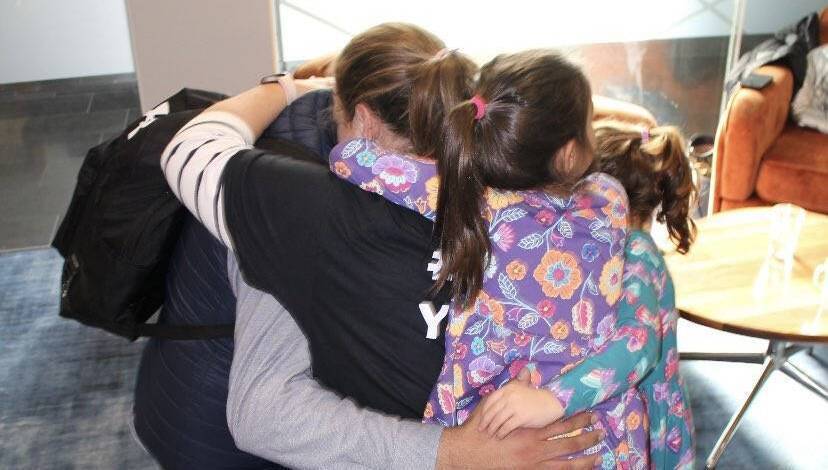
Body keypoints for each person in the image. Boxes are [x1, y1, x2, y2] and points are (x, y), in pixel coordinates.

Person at [157, 23, 605, 468]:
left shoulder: (314, 210)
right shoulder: (528, 193)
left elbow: (191, 150)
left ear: (365, 121)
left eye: (337, 116)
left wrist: (287, 87)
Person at [328, 50, 648, 467]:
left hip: (501, 433)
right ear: (569, 154)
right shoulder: (609, 197)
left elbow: (348, 156)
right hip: (604, 435)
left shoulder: (469, 199)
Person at [549, 119, 696, 469]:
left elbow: (637, 344)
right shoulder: (625, 248)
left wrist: (554, 397)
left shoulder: (633, 252)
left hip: (652, 422)